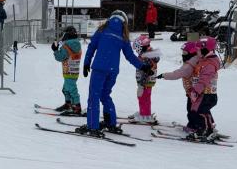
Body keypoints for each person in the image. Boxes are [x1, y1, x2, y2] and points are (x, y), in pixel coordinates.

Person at [76, 10, 151, 138]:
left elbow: (91, 47)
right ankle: (110, 122)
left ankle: (92, 126)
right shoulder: (123, 35)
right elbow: (129, 55)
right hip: (112, 71)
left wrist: (86, 63)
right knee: (105, 95)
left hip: (99, 68)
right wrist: (142, 66)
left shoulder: (102, 30)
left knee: (94, 97)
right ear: (124, 21)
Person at [156, 40, 202, 133]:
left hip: (192, 93)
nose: (183, 55)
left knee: (192, 111)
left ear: (192, 53)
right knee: (199, 110)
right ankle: (204, 125)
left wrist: (164, 75)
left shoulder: (189, 65)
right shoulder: (197, 60)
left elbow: (177, 74)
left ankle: (194, 127)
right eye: (182, 52)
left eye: (185, 53)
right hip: (198, 92)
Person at [187, 36, 220, 139]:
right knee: (197, 110)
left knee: (199, 111)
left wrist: (195, 91)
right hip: (203, 94)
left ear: (205, 50)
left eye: (198, 50)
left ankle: (205, 131)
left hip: (207, 95)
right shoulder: (204, 61)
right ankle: (205, 129)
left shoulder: (209, 64)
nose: (197, 52)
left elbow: (204, 80)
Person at [51, 25, 83, 115]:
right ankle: (68, 104)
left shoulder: (67, 45)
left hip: (68, 70)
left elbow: (60, 57)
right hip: (74, 70)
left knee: (71, 89)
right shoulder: (77, 44)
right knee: (66, 88)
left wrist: (55, 50)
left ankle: (77, 107)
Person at [131, 34, 160, 123]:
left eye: (137, 49)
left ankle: (145, 115)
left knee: (143, 97)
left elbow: (146, 72)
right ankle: (143, 112)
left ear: (141, 47)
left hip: (145, 82)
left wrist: (141, 85)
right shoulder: (149, 54)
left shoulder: (146, 57)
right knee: (145, 97)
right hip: (148, 81)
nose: (136, 51)